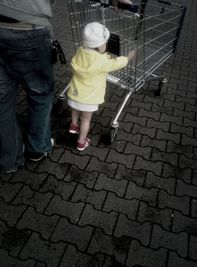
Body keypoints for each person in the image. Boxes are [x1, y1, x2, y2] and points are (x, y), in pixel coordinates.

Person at [0, 0, 55, 173]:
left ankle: (8, 159)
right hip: (30, 26)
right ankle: (37, 148)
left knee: (2, 100)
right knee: (40, 94)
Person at [67, 22, 135, 151]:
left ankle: (74, 124)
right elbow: (115, 63)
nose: (106, 45)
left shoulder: (80, 50)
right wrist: (127, 58)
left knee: (75, 109)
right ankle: (81, 142)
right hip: (89, 97)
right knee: (86, 120)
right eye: (105, 42)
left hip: (75, 92)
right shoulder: (102, 61)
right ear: (99, 46)